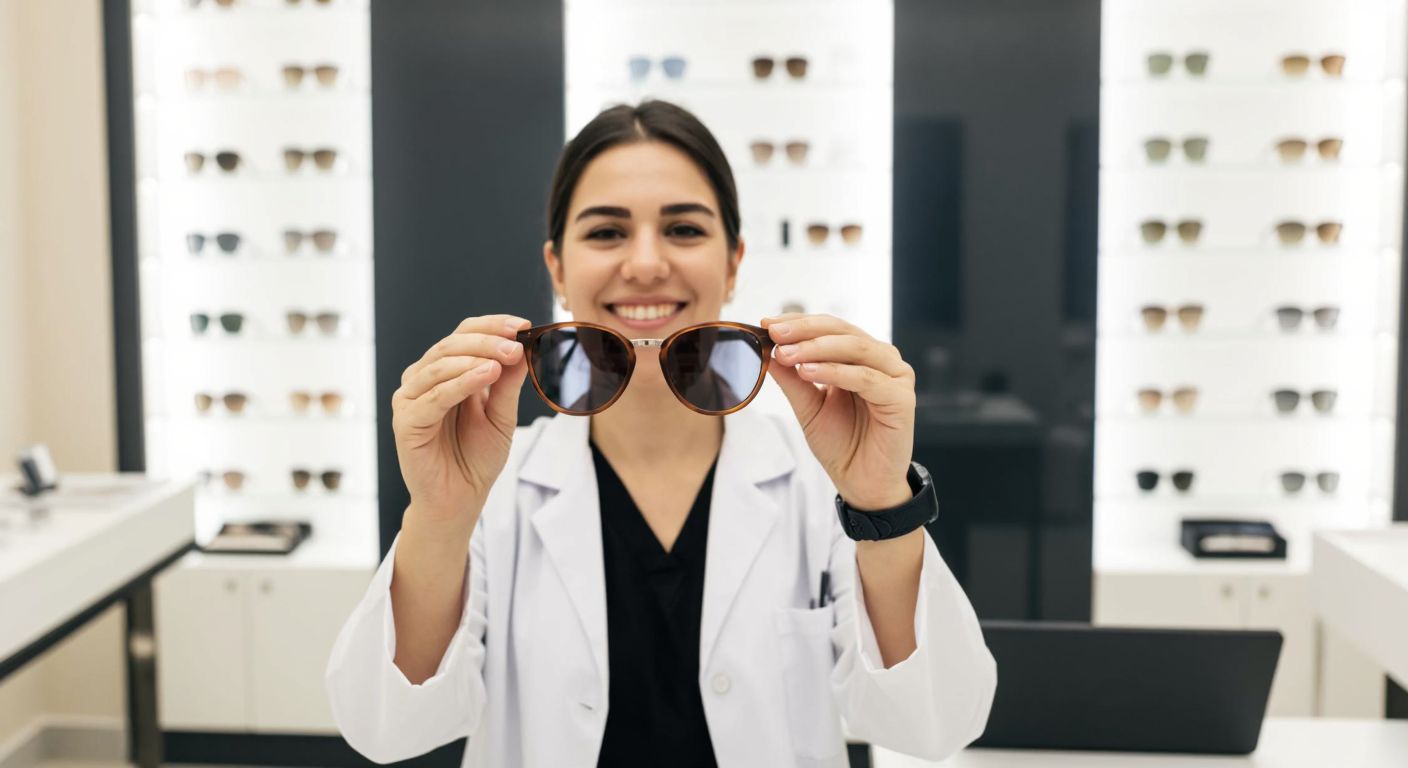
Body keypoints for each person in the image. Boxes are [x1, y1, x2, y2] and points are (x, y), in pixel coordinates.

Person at [325, 99, 996, 767]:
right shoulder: (491, 485)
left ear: (733, 263)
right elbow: (390, 729)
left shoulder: (821, 483)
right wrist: (440, 515)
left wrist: (882, 502)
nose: (645, 264)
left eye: (683, 229)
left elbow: (934, 726)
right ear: (557, 269)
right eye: (607, 233)